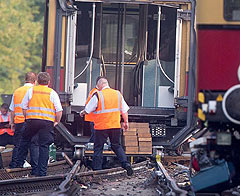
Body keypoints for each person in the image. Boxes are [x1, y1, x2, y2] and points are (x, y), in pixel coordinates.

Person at [80, 76, 133, 176]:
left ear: (99, 85)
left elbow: (88, 109)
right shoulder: (117, 94)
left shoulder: (98, 94)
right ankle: (126, 164)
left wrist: (82, 113)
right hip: (115, 126)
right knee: (116, 146)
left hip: (101, 127)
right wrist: (126, 122)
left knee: (98, 148)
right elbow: (124, 110)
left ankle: (97, 171)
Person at [16, 72, 63, 176]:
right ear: (49, 82)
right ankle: (42, 172)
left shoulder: (31, 91)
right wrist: (56, 121)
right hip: (46, 123)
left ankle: (18, 164)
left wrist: (26, 118)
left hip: (32, 121)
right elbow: (59, 110)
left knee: (25, 140)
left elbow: (23, 106)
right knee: (44, 146)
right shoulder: (52, 93)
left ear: (37, 81)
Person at [9, 72, 39, 169]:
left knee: (18, 144)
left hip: (19, 122)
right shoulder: (34, 91)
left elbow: (12, 109)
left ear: (25, 80)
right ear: (35, 81)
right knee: (33, 144)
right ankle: (34, 166)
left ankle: (15, 165)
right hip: (31, 122)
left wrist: (12, 123)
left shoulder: (17, 91)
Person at [0, 103, 14, 168]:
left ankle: (13, 164)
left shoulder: (10, 115)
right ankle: (1, 166)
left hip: (10, 134)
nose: (4, 112)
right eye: (3, 111)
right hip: (1, 135)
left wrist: (10, 125)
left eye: (5, 111)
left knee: (18, 146)